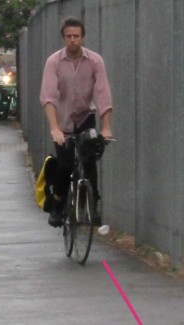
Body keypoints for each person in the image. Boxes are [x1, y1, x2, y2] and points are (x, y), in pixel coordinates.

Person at [39, 17, 113, 228]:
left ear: (83, 37)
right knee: (65, 163)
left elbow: (103, 95)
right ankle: (58, 204)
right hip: (61, 120)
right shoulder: (54, 62)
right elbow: (48, 97)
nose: (73, 40)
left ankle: (91, 204)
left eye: (76, 36)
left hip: (84, 116)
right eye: (69, 36)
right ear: (64, 38)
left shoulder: (95, 61)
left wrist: (106, 127)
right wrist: (54, 128)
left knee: (89, 158)